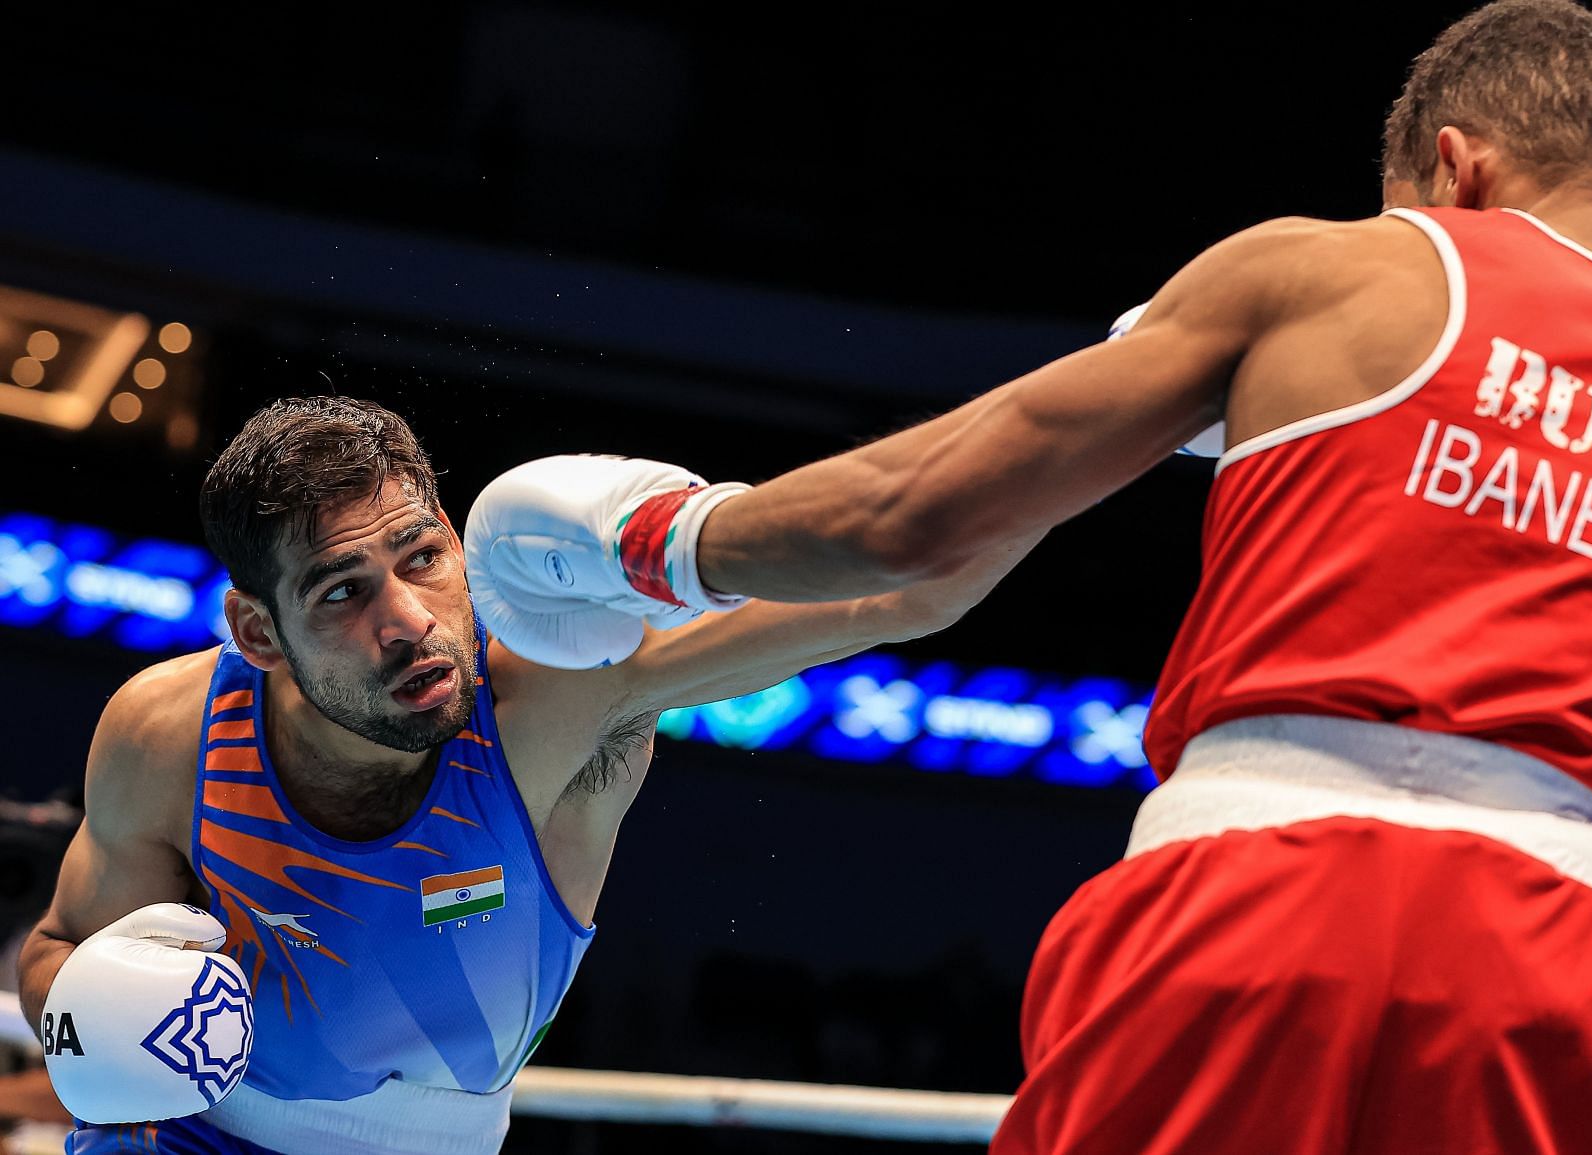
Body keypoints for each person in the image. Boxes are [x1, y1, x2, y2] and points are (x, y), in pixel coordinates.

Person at [471, 1, 1592, 1150]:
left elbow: (915, 526)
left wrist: (652, 538)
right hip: (1573, 965)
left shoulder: (1340, 273)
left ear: (1451, 171)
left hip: (1258, 901)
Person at [14, 395, 1038, 1155]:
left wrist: (1146, 389)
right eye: (341, 591)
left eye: (422, 558)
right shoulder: (170, 731)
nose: (408, 621)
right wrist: (85, 1018)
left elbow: (915, 584)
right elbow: (57, 947)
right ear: (256, 632)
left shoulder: (564, 700)